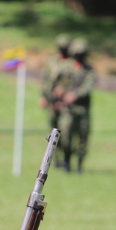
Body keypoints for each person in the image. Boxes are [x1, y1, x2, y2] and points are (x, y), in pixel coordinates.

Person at [59, 38, 96, 174]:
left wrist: (75, 94)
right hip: (68, 109)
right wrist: (59, 92)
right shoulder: (66, 67)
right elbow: (56, 81)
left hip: (82, 109)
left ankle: (80, 165)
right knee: (66, 136)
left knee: (82, 138)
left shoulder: (88, 70)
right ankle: (66, 162)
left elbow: (89, 86)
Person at [39, 33, 72, 167]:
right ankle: (55, 158)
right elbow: (46, 80)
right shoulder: (52, 62)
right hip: (52, 102)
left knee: (66, 130)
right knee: (53, 130)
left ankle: (66, 158)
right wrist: (44, 97)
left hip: (65, 103)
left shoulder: (72, 63)